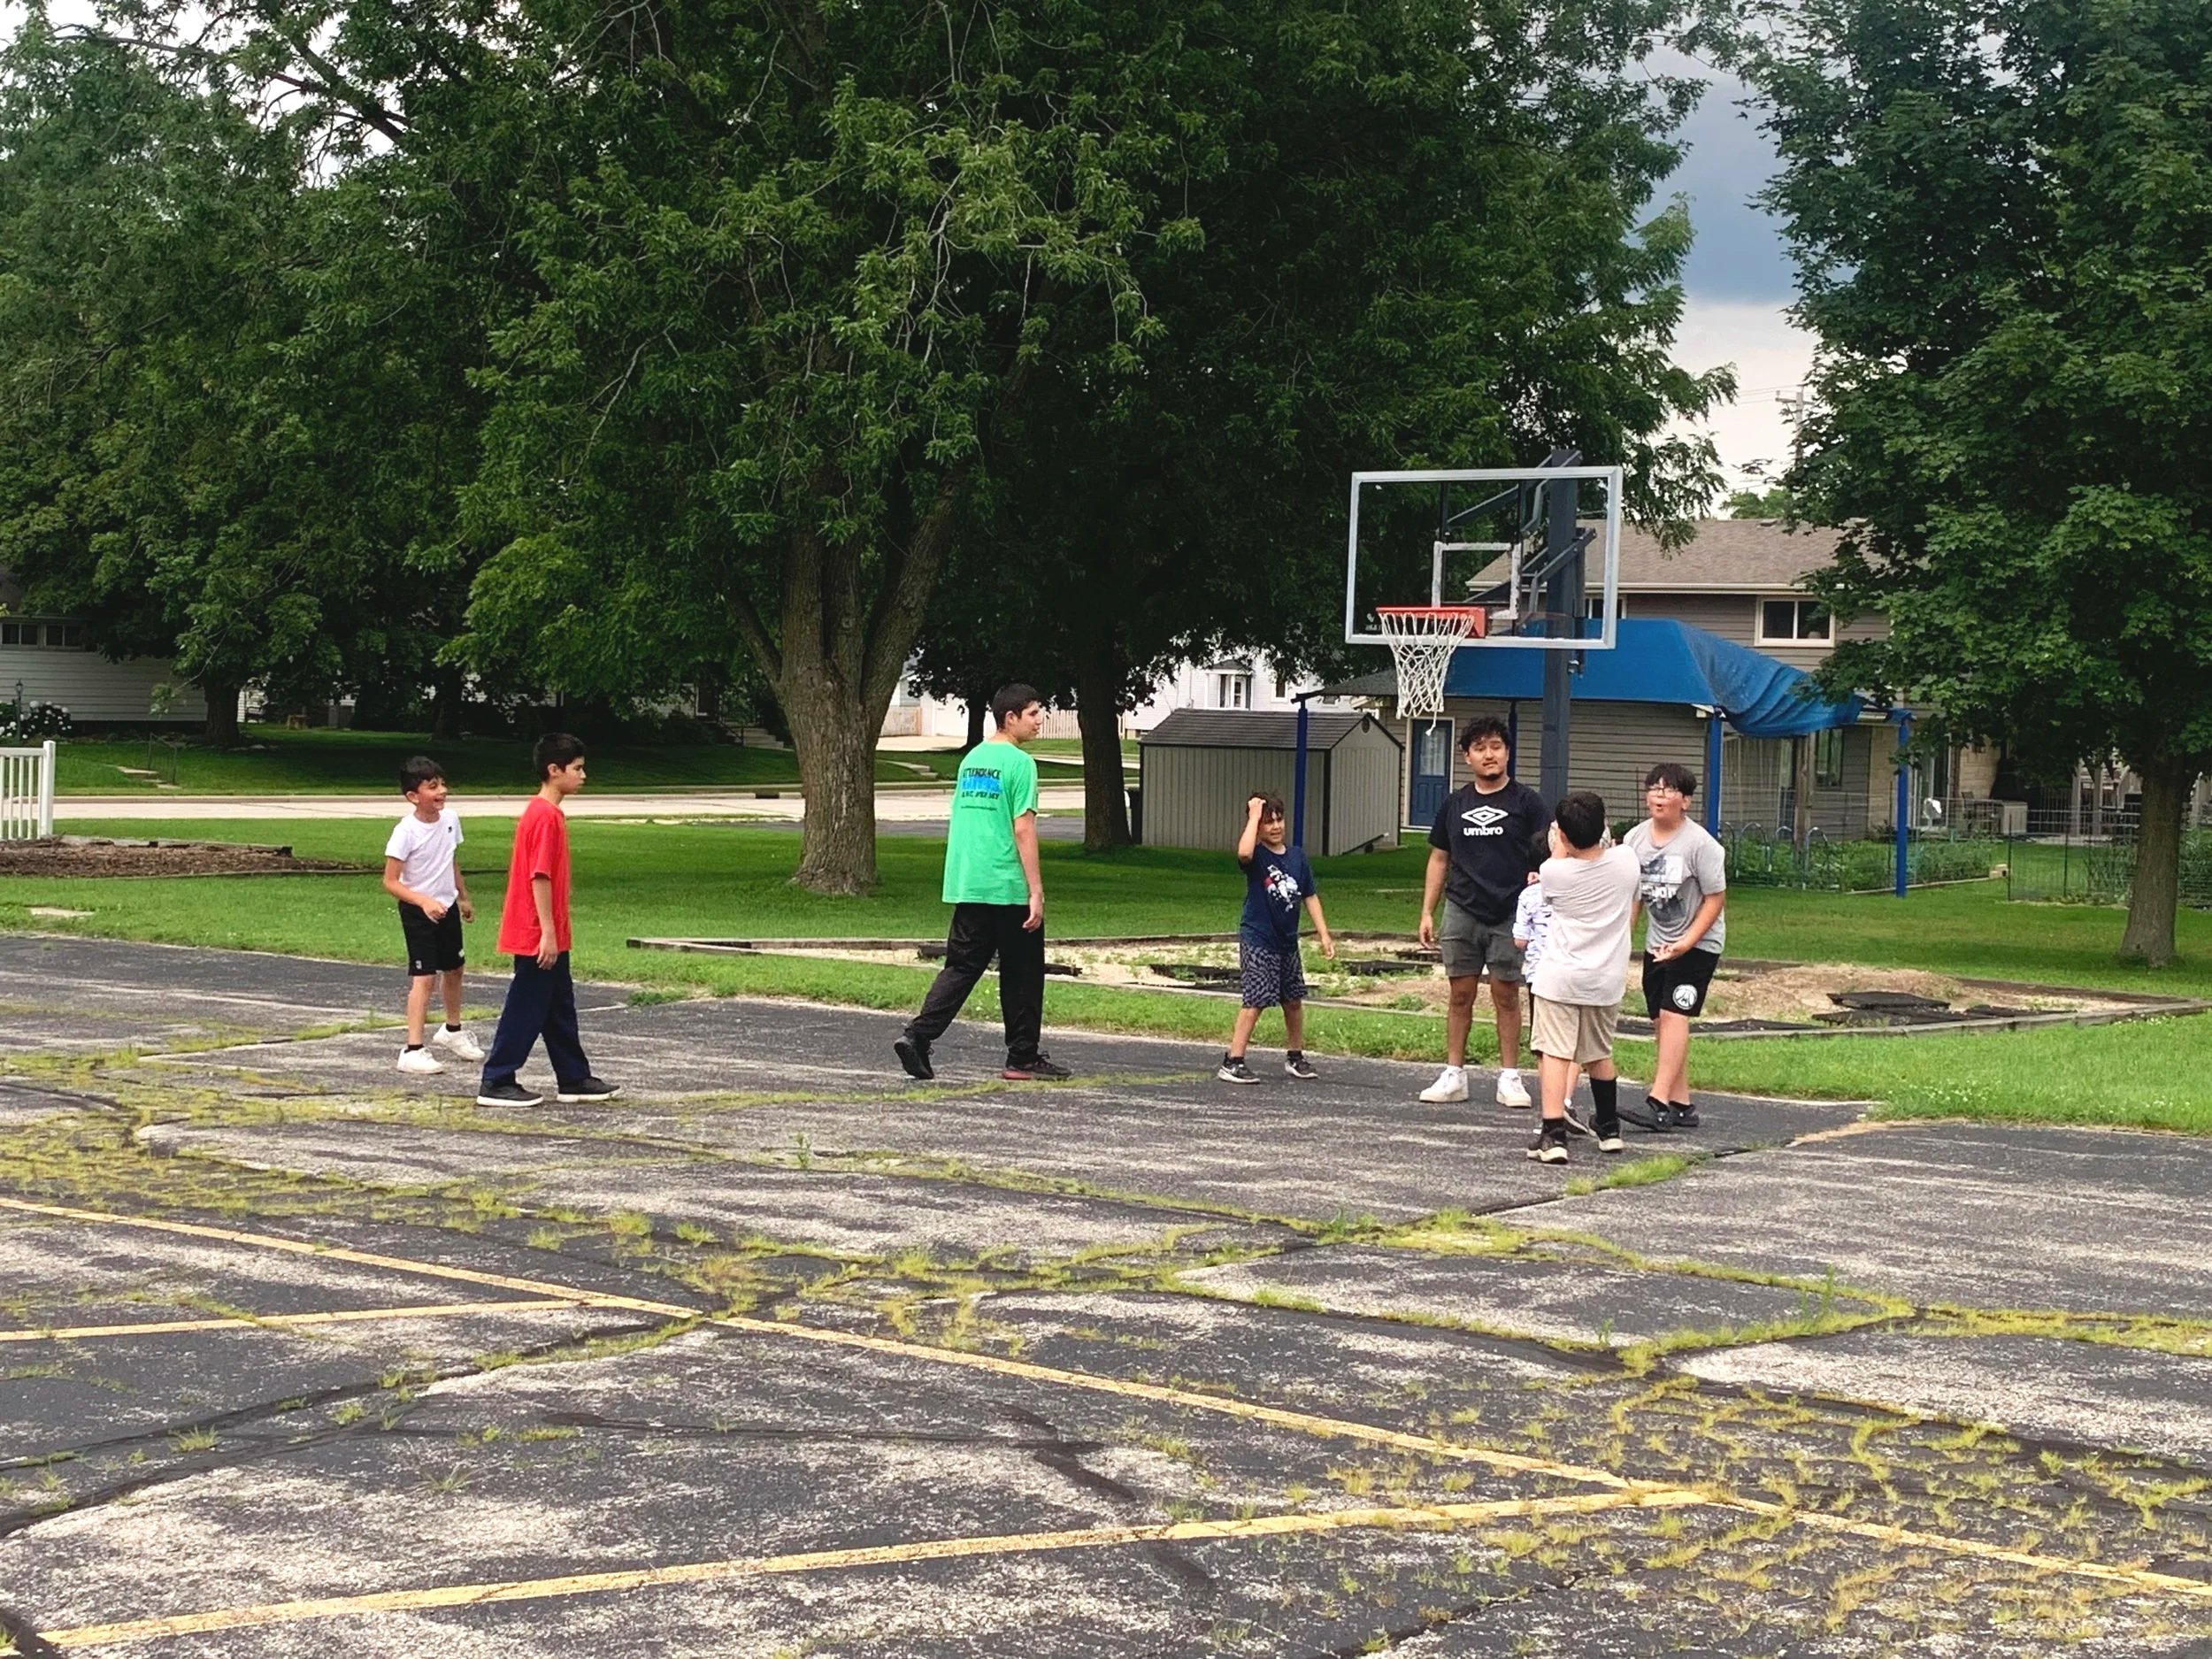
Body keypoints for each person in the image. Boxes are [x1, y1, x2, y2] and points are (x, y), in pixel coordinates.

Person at [895, 684, 1069, 1083]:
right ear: (1011, 718)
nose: (1040, 720)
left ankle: (918, 1036)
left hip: (970, 880)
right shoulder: (1020, 763)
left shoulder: (972, 760)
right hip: (1005, 882)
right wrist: (1036, 889)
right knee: (1023, 971)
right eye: (1034, 713)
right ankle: (1022, 1057)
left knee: (961, 966)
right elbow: (1023, 827)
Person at [475, 733, 618, 1109]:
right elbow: (539, 876)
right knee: (527, 1006)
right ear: (554, 771)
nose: (583, 776)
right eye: (577, 769)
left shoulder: (551, 814)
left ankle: (573, 1077)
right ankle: (497, 1078)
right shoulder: (543, 817)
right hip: (536, 932)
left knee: (559, 1007)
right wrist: (548, 934)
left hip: (549, 931)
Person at [1415, 716, 1550, 1106]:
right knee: (1460, 993)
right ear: (1466, 756)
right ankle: (1454, 1074)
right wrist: (1427, 910)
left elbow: (1549, 848)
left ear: (1507, 752)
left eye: (1496, 746)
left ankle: (1510, 1077)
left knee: (1506, 994)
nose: (1489, 754)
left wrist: (1540, 880)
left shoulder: (1527, 802)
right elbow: (1440, 858)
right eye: (1480, 748)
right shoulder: (1455, 803)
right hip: (1461, 907)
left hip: (1511, 911)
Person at [1525, 790, 1640, 1164]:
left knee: (1555, 1053)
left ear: (1564, 835)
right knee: (1599, 1053)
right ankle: (1608, 1128)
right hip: (1605, 979)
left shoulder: (1554, 872)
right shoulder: (1626, 864)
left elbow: (1555, 864)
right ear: (1603, 825)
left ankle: (1553, 1134)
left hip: (1560, 977)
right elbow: (1610, 846)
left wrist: (1559, 843)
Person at [1621, 761, 1728, 1132]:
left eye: (1668, 790)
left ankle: (1658, 1102)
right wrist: (1624, 939)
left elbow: (1715, 899)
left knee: (1674, 1015)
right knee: (1659, 1021)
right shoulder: (1635, 839)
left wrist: (1687, 943)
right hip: (1658, 943)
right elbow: (1633, 896)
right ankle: (1682, 1104)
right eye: (1653, 789)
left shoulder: (1701, 845)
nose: (1659, 796)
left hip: (1698, 944)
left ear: (1686, 801)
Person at [1217, 792, 1335, 1084]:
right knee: (1255, 1000)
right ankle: (1233, 1060)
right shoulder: (1257, 855)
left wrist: (1324, 933)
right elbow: (1243, 853)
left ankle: (1295, 1056)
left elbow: (1309, 895)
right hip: (1258, 938)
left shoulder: (1297, 857)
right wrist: (1254, 815)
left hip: (1287, 940)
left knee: (1293, 999)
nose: (1275, 826)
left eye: (1278, 819)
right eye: (1268, 822)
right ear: (1258, 827)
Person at [383, 757, 482, 1076]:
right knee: (425, 977)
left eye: (442, 784)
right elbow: (390, 881)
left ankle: (452, 1031)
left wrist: (463, 897)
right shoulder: (405, 832)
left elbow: (449, 860)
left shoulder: (450, 819)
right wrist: (423, 901)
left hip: (446, 907)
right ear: (413, 796)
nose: (443, 791)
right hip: (417, 911)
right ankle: (412, 1049)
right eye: (433, 786)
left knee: (455, 968)